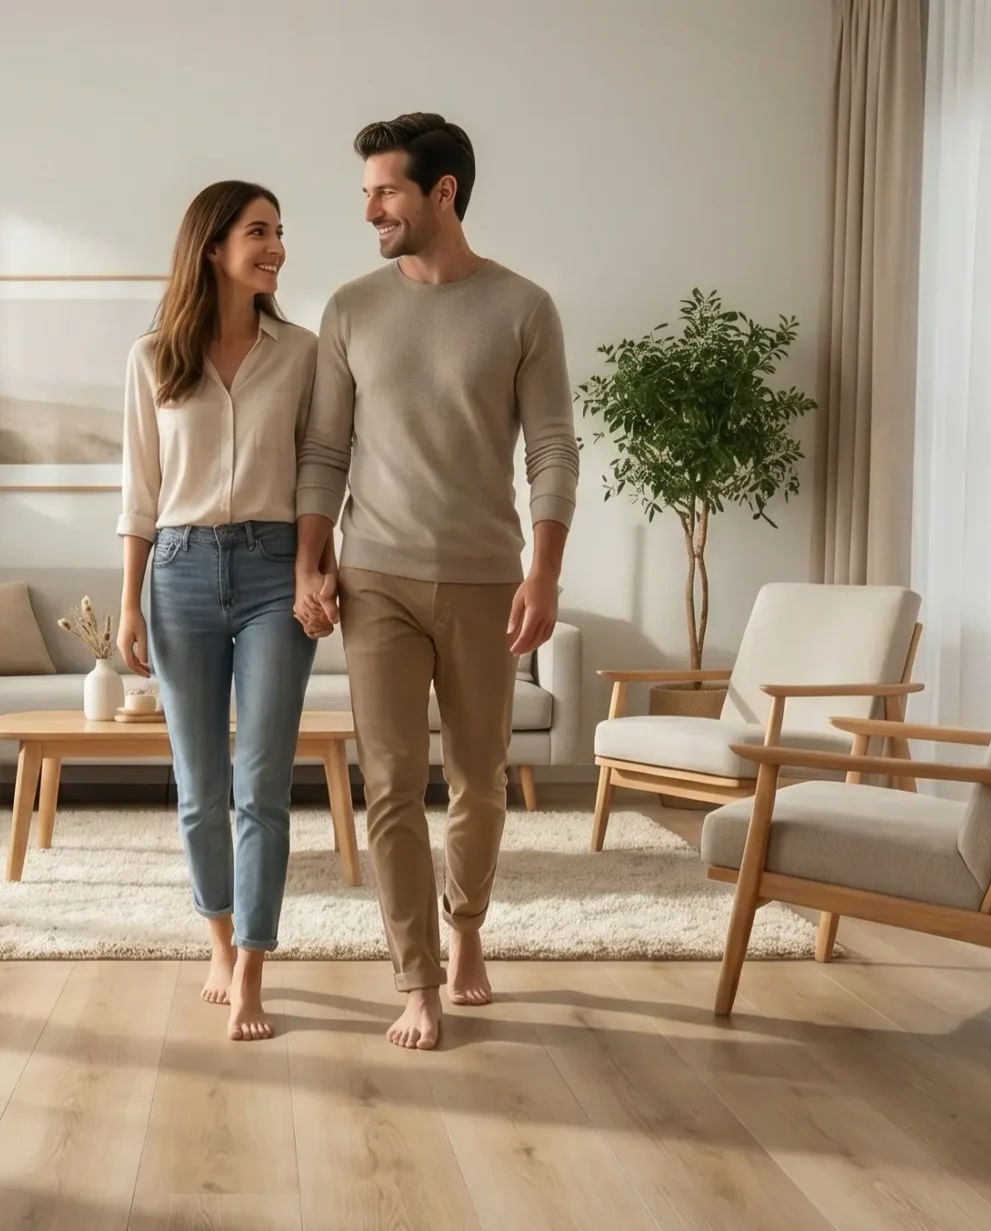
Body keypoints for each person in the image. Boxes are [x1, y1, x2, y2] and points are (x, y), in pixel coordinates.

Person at [294, 113, 579, 1051]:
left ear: (441, 193)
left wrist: (544, 569)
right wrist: (311, 555)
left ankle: (466, 929)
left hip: (486, 579)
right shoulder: (349, 309)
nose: (369, 208)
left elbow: (550, 449)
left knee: (479, 781)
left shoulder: (523, 307)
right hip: (373, 577)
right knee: (389, 784)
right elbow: (326, 450)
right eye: (368, 191)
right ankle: (415, 978)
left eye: (386, 191)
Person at [118, 180, 320, 1043]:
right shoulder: (154, 356)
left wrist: (318, 567)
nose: (275, 246)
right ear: (212, 247)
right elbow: (139, 492)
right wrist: (128, 601)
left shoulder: (306, 353)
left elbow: (320, 472)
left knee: (262, 784)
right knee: (201, 788)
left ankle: (253, 970)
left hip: (278, 570)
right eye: (258, 231)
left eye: (279, 232)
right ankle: (218, 939)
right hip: (181, 570)